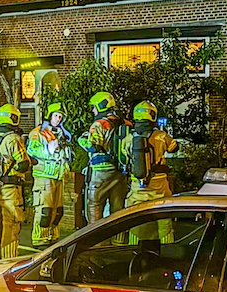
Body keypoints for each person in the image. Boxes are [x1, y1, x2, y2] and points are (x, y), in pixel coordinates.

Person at [123, 100, 179, 242]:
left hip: (137, 187)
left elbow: (125, 158)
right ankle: (168, 249)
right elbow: (174, 148)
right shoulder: (161, 136)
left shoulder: (128, 138)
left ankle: (131, 249)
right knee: (164, 220)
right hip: (159, 185)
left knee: (134, 220)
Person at [0, 104, 30, 260]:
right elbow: (23, 164)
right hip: (10, 187)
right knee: (11, 223)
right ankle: (9, 259)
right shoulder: (13, 139)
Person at [78, 91, 127, 225]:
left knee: (94, 205)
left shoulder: (99, 124)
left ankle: (96, 242)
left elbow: (93, 146)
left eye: (94, 107)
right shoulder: (124, 123)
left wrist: (82, 139)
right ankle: (118, 241)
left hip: (101, 171)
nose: (93, 110)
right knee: (118, 208)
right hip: (119, 171)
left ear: (101, 106)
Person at [27, 101, 72, 246]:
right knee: (44, 211)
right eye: (56, 115)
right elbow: (32, 150)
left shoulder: (61, 134)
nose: (58, 118)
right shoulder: (38, 133)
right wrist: (49, 150)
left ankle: (52, 237)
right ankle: (40, 239)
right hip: (44, 177)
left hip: (58, 177)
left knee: (58, 211)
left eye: (60, 117)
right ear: (50, 116)